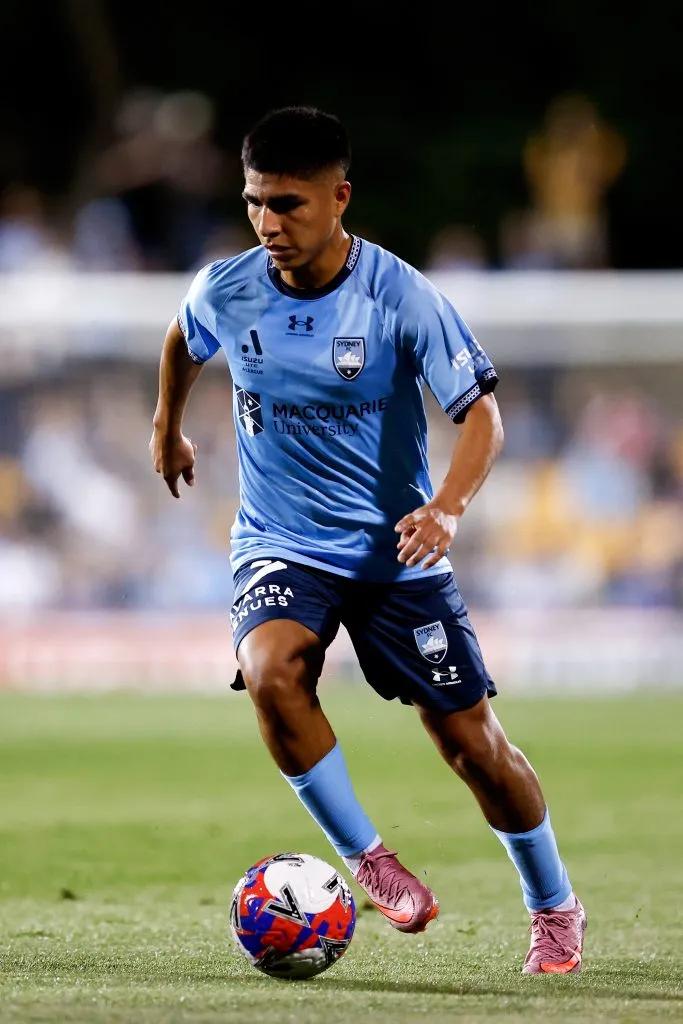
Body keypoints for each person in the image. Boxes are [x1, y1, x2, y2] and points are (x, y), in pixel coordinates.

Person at [150, 106, 587, 974]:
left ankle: (552, 904)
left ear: (338, 197)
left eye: (287, 204)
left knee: (472, 745)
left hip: (396, 552)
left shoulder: (401, 296)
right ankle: (370, 861)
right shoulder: (225, 287)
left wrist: (449, 507)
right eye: (253, 204)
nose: (268, 224)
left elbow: (482, 417)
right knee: (271, 672)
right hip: (279, 541)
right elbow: (183, 338)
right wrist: (166, 424)